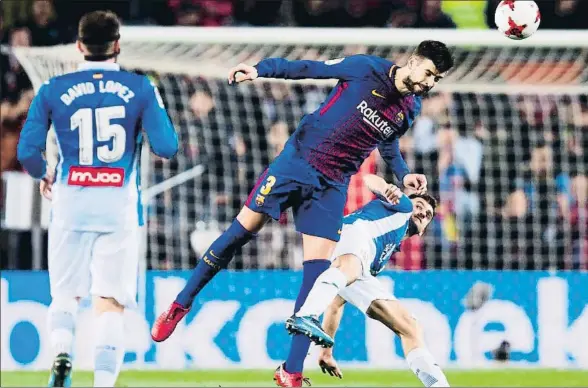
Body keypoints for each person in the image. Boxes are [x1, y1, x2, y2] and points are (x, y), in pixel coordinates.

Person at [151, 42, 454, 381]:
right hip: (297, 161)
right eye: (428, 73)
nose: (429, 83)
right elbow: (311, 69)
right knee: (239, 234)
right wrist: (261, 69)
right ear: (412, 62)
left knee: (317, 274)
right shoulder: (365, 68)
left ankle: (291, 371)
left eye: (436, 78)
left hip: (333, 185)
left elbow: (387, 142)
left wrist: (403, 173)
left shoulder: (410, 108)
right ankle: (181, 303)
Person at [16, 10, 178, 387]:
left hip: (71, 202)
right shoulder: (140, 88)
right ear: (117, 45)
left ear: (79, 46)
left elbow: (27, 153)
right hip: (118, 207)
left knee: (65, 296)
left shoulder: (53, 88)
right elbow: (167, 147)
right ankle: (102, 384)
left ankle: (61, 351)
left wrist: (46, 174)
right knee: (110, 303)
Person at [278, 174, 449, 387]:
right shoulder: (402, 207)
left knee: (410, 327)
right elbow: (370, 179)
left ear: (422, 232)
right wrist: (387, 189)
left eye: (428, 215)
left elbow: (336, 303)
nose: (423, 212)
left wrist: (326, 351)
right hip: (351, 235)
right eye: (420, 205)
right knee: (349, 267)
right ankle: (305, 314)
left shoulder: (383, 254)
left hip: (360, 263)